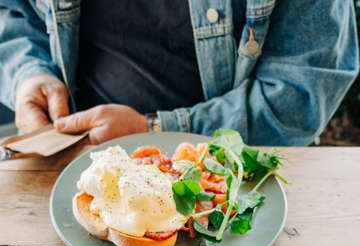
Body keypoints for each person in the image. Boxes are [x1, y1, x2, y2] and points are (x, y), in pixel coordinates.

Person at [0, 0, 358, 146]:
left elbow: (300, 95)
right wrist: (27, 73)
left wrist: (156, 132)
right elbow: (12, 9)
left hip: (234, 183)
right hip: (65, 154)